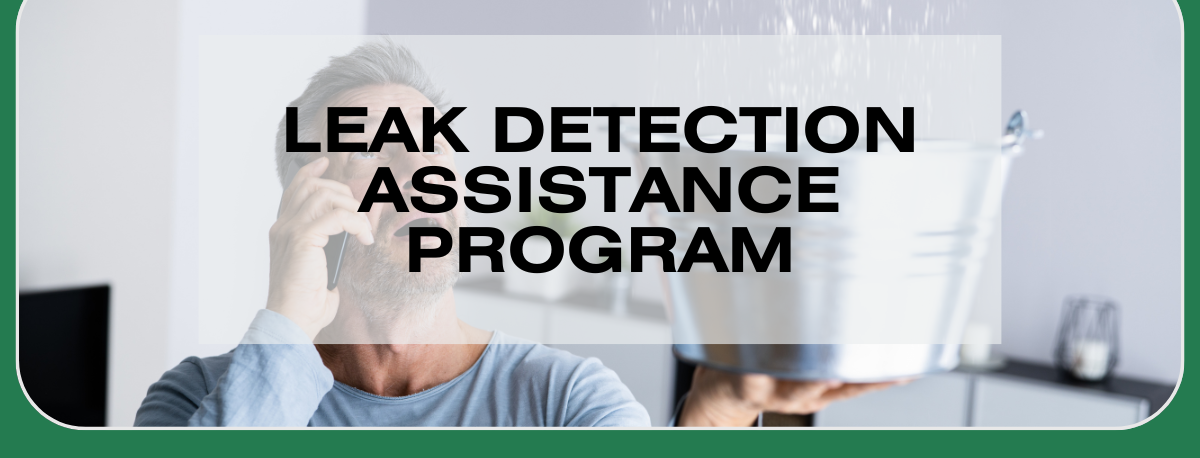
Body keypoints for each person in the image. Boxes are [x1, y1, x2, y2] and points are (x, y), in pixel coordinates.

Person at [134, 41, 895, 427]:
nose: (422, 170)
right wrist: (287, 322)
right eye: (381, 149)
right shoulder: (201, 398)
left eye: (436, 147)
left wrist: (717, 411)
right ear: (310, 207)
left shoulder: (565, 401)